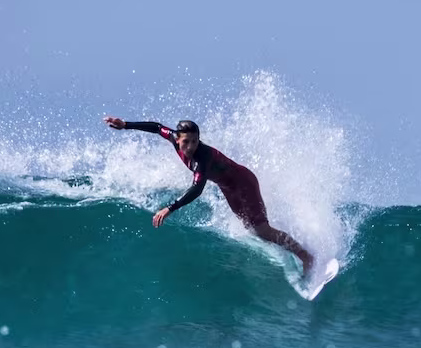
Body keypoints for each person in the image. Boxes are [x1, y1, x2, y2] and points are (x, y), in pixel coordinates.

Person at [104, 116, 315, 276]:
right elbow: (157, 128)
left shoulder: (201, 159)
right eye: (186, 142)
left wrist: (169, 208)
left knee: (261, 228)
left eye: (195, 142)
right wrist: (126, 125)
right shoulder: (174, 138)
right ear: (178, 139)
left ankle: (306, 256)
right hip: (228, 187)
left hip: (244, 183)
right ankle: (287, 247)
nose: (190, 147)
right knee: (252, 229)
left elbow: (197, 189)